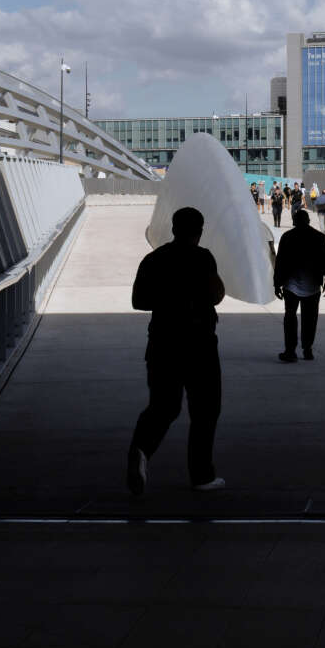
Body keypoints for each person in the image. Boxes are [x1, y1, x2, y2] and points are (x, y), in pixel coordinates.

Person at [127, 206, 226, 494]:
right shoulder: (203, 258)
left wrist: (168, 300)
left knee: (163, 406)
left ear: (173, 228)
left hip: (162, 343)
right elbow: (217, 295)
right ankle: (201, 475)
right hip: (200, 345)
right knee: (206, 409)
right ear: (199, 230)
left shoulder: (154, 259)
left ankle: (141, 451)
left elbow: (138, 300)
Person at [274, 209, 325, 362]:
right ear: (308, 221)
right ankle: (307, 349)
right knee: (310, 319)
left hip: (290, 285)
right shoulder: (319, 237)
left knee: (290, 318)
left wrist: (276, 283)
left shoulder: (288, 237)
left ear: (294, 222)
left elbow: (279, 262)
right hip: (312, 286)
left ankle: (290, 351)